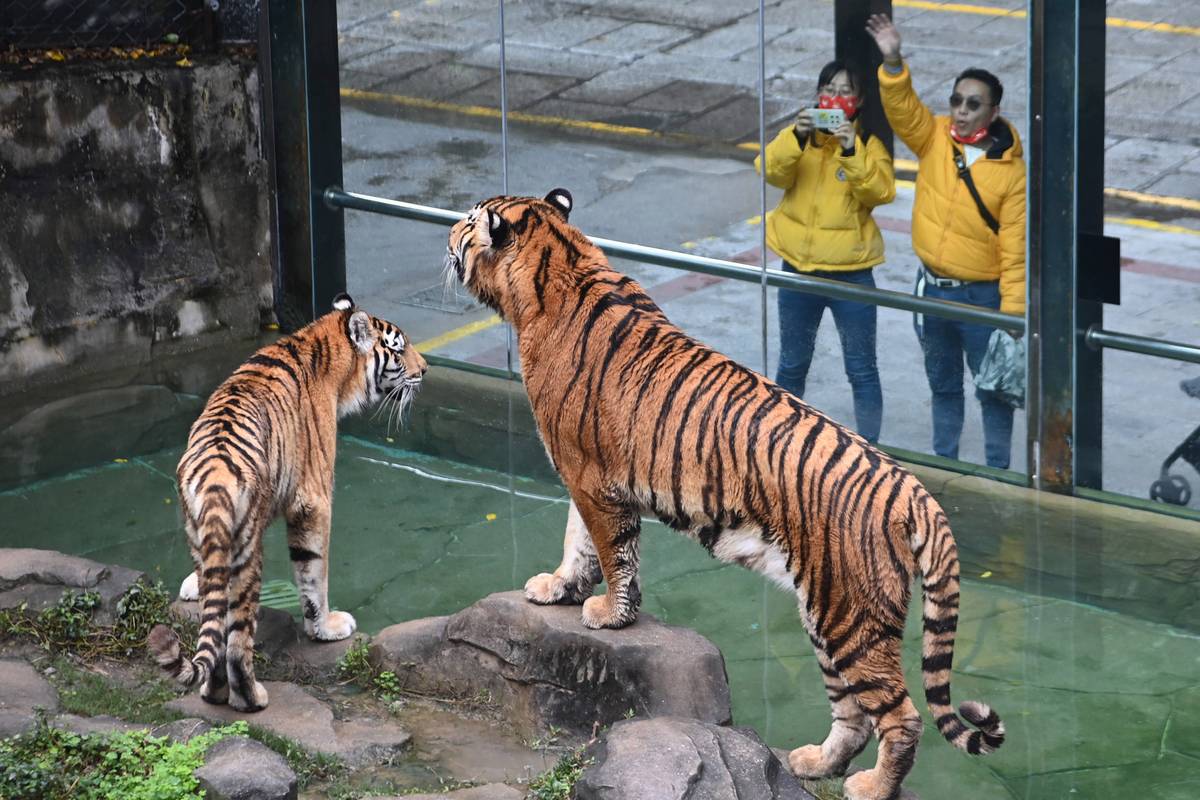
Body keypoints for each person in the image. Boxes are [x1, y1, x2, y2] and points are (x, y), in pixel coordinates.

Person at [866, 13, 1026, 469]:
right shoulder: (935, 137)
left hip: (982, 298)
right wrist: (893, 61)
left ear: (993, 112)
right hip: (933, 289)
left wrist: (1012, 317)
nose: (961, 110)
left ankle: (997, 473)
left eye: (973, 104)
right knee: (943, 385)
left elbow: (1016, 250)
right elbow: (902, 109)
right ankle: (946, 467)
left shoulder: (1011, 172)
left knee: (993, 391)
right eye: (956, 100)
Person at [754, 59, 895, 443]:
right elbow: (769, 171)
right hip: (798, 270)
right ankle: (778, 442)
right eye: (828, 90)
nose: (834, 98)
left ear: (859, 101)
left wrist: (850, 148)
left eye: (845, 91)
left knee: (862, 369)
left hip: (853, 274)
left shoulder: (869, 146)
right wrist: (795, 138)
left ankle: (871, 451)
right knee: (792, 364)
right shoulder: (801, 139)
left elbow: (879, 192)